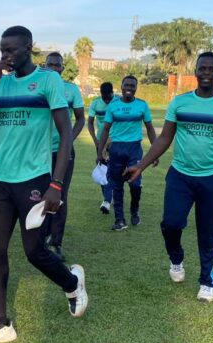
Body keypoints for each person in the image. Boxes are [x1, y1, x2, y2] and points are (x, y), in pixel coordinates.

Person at [0, 26, 88, 343]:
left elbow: (65, 134)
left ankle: (72, 283)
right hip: (2, 182)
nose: (6, 55)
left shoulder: (48, 81)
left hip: (35, 181)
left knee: (34, 252)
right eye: (2, 50)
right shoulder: (1, 83)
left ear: (28, 48)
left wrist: (56, 184)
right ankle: (0, 324)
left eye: (11, 50)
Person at [125, 52, 213, 303]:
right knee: (170, 224)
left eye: (212, 69)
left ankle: (207, 282)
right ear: (195, 71)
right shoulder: (180, 103)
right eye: (202, 68)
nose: (206, 73)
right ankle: (176, 259)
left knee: (208, 232)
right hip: (180, 176)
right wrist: (141, 165)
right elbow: (165, 138)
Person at [97, 75, 157, 231]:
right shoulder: (113, 106)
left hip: (134, 149)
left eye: (132, 85)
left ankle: (134, 211)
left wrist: (155, 152)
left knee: (135, 185)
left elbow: (150, 128)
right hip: (116, 149)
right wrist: (100, 152)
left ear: (136, 88)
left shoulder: (142, 105)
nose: (129, 88)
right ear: (122, 87)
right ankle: (120, 220)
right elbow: (106, 129)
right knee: (117, 185)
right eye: (126, 85)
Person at [43, 52, 85, 261]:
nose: (53, 68)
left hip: (62, 151)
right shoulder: (39, 87)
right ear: (44, 66)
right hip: (39, 151)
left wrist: (68, 141)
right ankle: (41, 236)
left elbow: (80, 119)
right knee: (39, 194)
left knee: (60, 195)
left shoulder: (71, 90)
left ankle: (55, 243)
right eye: (49, 64)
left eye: (57, 65)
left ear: (62, 67)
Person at [88, 82, 119, 214]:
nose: (106, 100)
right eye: (104, 98)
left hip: (116, 142)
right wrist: (96, 141)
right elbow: (90, 123)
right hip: (101, 142)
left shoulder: (119, 102)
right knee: (102, 171)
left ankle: (110, 199)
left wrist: (108, 143)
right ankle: (106, 199)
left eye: (108, 97)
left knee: (114, 171)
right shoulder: (95, 103)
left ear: (113, 93)